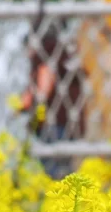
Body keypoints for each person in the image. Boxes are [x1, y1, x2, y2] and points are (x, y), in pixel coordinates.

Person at [19, 24, 86, 179]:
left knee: (54, 170)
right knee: (65, 167)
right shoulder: (64, 56)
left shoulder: (45, 57)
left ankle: (60, 197)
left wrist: (22, 104)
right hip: (72, 124)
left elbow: (42, 89)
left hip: (54, 125)